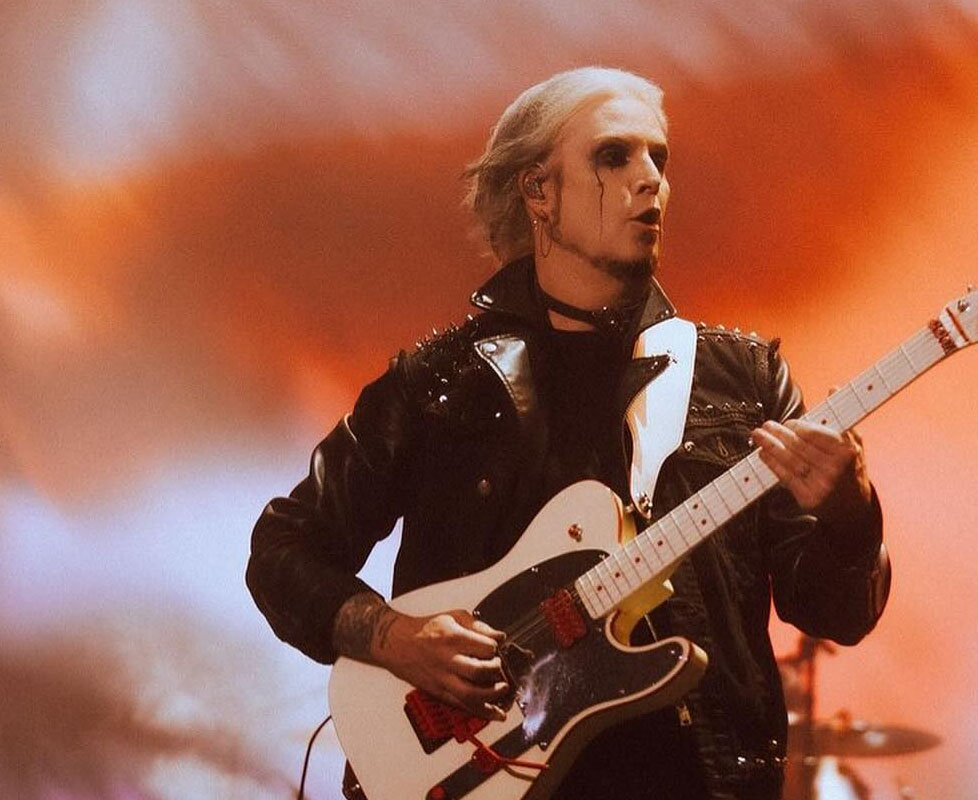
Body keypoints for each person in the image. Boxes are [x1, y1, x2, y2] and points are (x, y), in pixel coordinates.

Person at [247, 66, 889, 800]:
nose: (651, 180)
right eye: (614, 156)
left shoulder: (742, 379)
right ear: (538, 192)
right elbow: (283, 549)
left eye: (659, 158)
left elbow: (836, 614)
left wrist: (849, 515)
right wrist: (393, 637)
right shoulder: (436, 384)